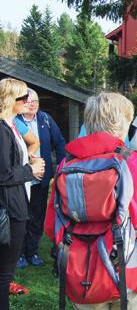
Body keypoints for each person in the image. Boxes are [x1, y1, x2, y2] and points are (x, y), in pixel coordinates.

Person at [45, 92, 137, 309]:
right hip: (135, 272)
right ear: (124, 122)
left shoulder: (65, 166)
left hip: (81, 273)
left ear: (89, 121)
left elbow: (52, 226)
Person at [0, 78, 45, 310]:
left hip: (13, 204)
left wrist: (29, 159)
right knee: (4, 275)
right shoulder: (2, 129)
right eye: (23, 97)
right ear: (11, 100)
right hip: (9, 209)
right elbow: (3, 173)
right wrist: (31, 170)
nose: (27, 101)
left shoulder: (11, 125)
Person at [15, 88, 66, 268]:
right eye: (28, 101)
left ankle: (33, 252)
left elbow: (60, 142)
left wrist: (61, 167)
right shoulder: (14, 120)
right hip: (21, 180)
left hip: (41, 179)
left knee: (37, 216)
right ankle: (19, 253)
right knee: (21, 216)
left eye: (35, 101)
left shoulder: (45, 119)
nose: (32, 104)